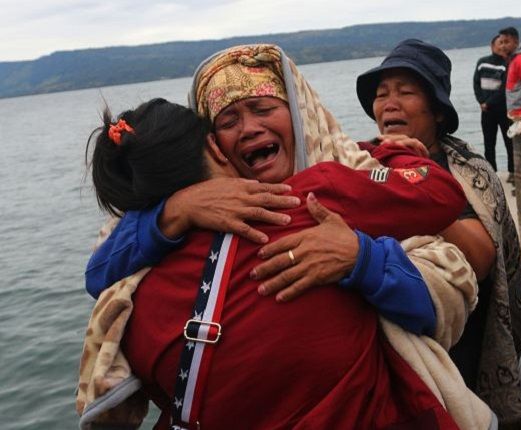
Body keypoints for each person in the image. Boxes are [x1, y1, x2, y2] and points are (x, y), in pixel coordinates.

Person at [77, 45, 495, 429]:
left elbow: (98, 275)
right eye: (228, 120)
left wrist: (356, 255)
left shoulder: (141, 271)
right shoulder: (322, 192)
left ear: (299, 114)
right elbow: (438, 195)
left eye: (262, 108)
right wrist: (179, 209)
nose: (250, 129)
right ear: (213, 144)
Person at [356, 38, 521, 429]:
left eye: (406, 91)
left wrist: (413, 183)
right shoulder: (362, 163)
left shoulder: (464, 172)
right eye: (381, 94)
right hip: (386, 355)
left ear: (435, 110)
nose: (389, 103)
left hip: (457, 347)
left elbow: (482, 260)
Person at [474, 34, 514, 175]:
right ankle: (491, 173)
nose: (503, 45)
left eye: (505, 42)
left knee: (509, 141)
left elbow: (504, 88)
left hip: (503, 109)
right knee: (489, 143)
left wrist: (488, 102)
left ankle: (512, 172)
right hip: (486, 110)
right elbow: (476, 83)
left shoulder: (507, 64)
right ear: (492, 46)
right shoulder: (482, 62)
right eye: (500, 42)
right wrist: (481, 101)